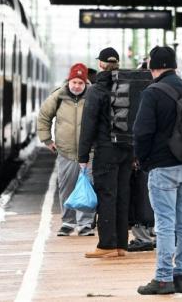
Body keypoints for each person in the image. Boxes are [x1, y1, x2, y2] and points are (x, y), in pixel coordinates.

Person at [133, 46, 182, 295]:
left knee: (164, 224)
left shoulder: (152, 93)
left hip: (163, 167)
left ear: (154, 66)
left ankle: (163, 278)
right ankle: (180, 275)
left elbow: (142, 132)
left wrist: (141, 160)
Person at [78, 47, 133, 258]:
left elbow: (88, 126)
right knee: (122, 196)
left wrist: (83, 157)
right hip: (126, 150)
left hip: (106, 151)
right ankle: (121, 245)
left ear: (100, 64)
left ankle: (107, 245)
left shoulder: (96, 90)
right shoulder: (127, 87)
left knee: (107, 196)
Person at [37, 63, 95, 236]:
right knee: (67, 186)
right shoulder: (58, 96)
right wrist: (47, 139)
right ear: (69, 81)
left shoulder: (93, 96)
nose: (77, 86)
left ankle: (85, 223)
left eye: (80, 83)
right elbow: (44, 116)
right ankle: (68, 222)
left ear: (85, 83)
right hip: (66, 151)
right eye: (74, 82)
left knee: (87, 187)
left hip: (89, 152)